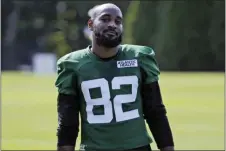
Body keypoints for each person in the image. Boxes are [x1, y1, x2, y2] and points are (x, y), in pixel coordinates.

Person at [55, 3, 174, 151]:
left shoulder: (139, 57)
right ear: (91, 24)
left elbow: (155, 111)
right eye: (105, 19)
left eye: (118, 21)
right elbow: (68, 122)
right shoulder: (73, 65)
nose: (113, 24)